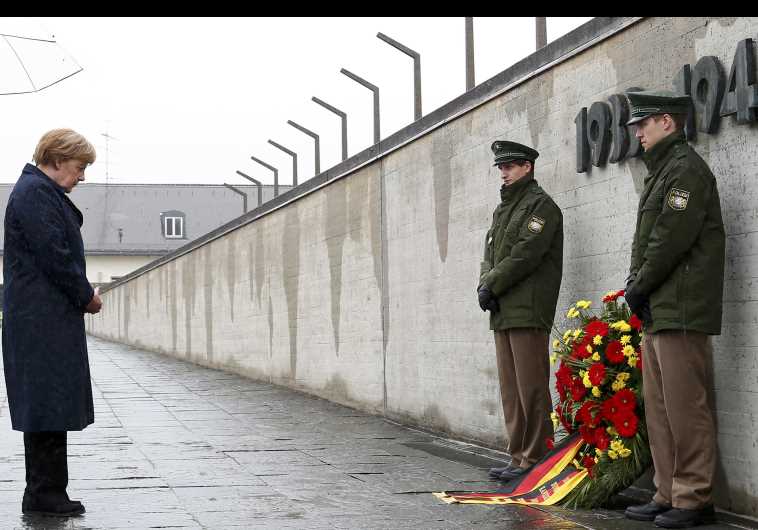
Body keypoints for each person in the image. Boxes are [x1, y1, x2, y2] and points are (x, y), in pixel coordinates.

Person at [622, 91, 724, 528]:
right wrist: (638, 289)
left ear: (667, 121)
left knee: (686, 406)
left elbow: (668, 239)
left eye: (643, 125)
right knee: (660, 407)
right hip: (659, 307)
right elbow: (647, 243)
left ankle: (695, 497)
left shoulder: (685, 170)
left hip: (681, 306)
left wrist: (638, 286)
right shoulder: (661, 172)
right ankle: (667, 492)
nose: (638, 133)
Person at [2, 128, 103, 517]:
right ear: (58, 160)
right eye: (79, 168)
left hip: (42, 317)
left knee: (49, 401)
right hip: (39, 319)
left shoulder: (39, 193)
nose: (81, 177)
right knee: (46, 401)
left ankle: (47, 491)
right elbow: (56, 256)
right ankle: (44, 493)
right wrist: (86, 296)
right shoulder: (34, 194)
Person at [478, 140, 563, 482]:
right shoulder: (504, 210)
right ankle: (518, 457)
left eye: (510, 166)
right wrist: (485, 283)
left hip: (527, 309)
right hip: (503, 309)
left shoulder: (540, 207)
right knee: (511, 390)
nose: (504, 172)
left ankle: (536, 458)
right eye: (501, 167)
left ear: (528, 167)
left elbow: (526, 255)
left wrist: (492, 284)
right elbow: (490, 252)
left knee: (531, 388)